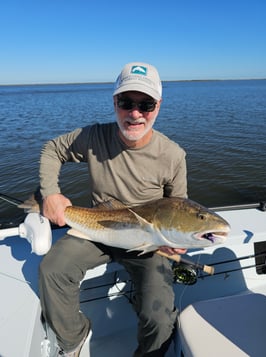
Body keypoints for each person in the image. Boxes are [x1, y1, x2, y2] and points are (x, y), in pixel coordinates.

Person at [39, 62, 188, 357]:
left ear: (158, 106)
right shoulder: (94, 137)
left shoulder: (173, 156)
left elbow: (179, 207)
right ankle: (74, 339)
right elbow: (53, 149)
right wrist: (51, 194)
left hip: (148, 243)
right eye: (126, 103)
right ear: (114, 103)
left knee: (159, 318)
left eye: (145, 104)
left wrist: (177, 242)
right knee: (52, 270)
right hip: (99, 228)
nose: (135, 114)